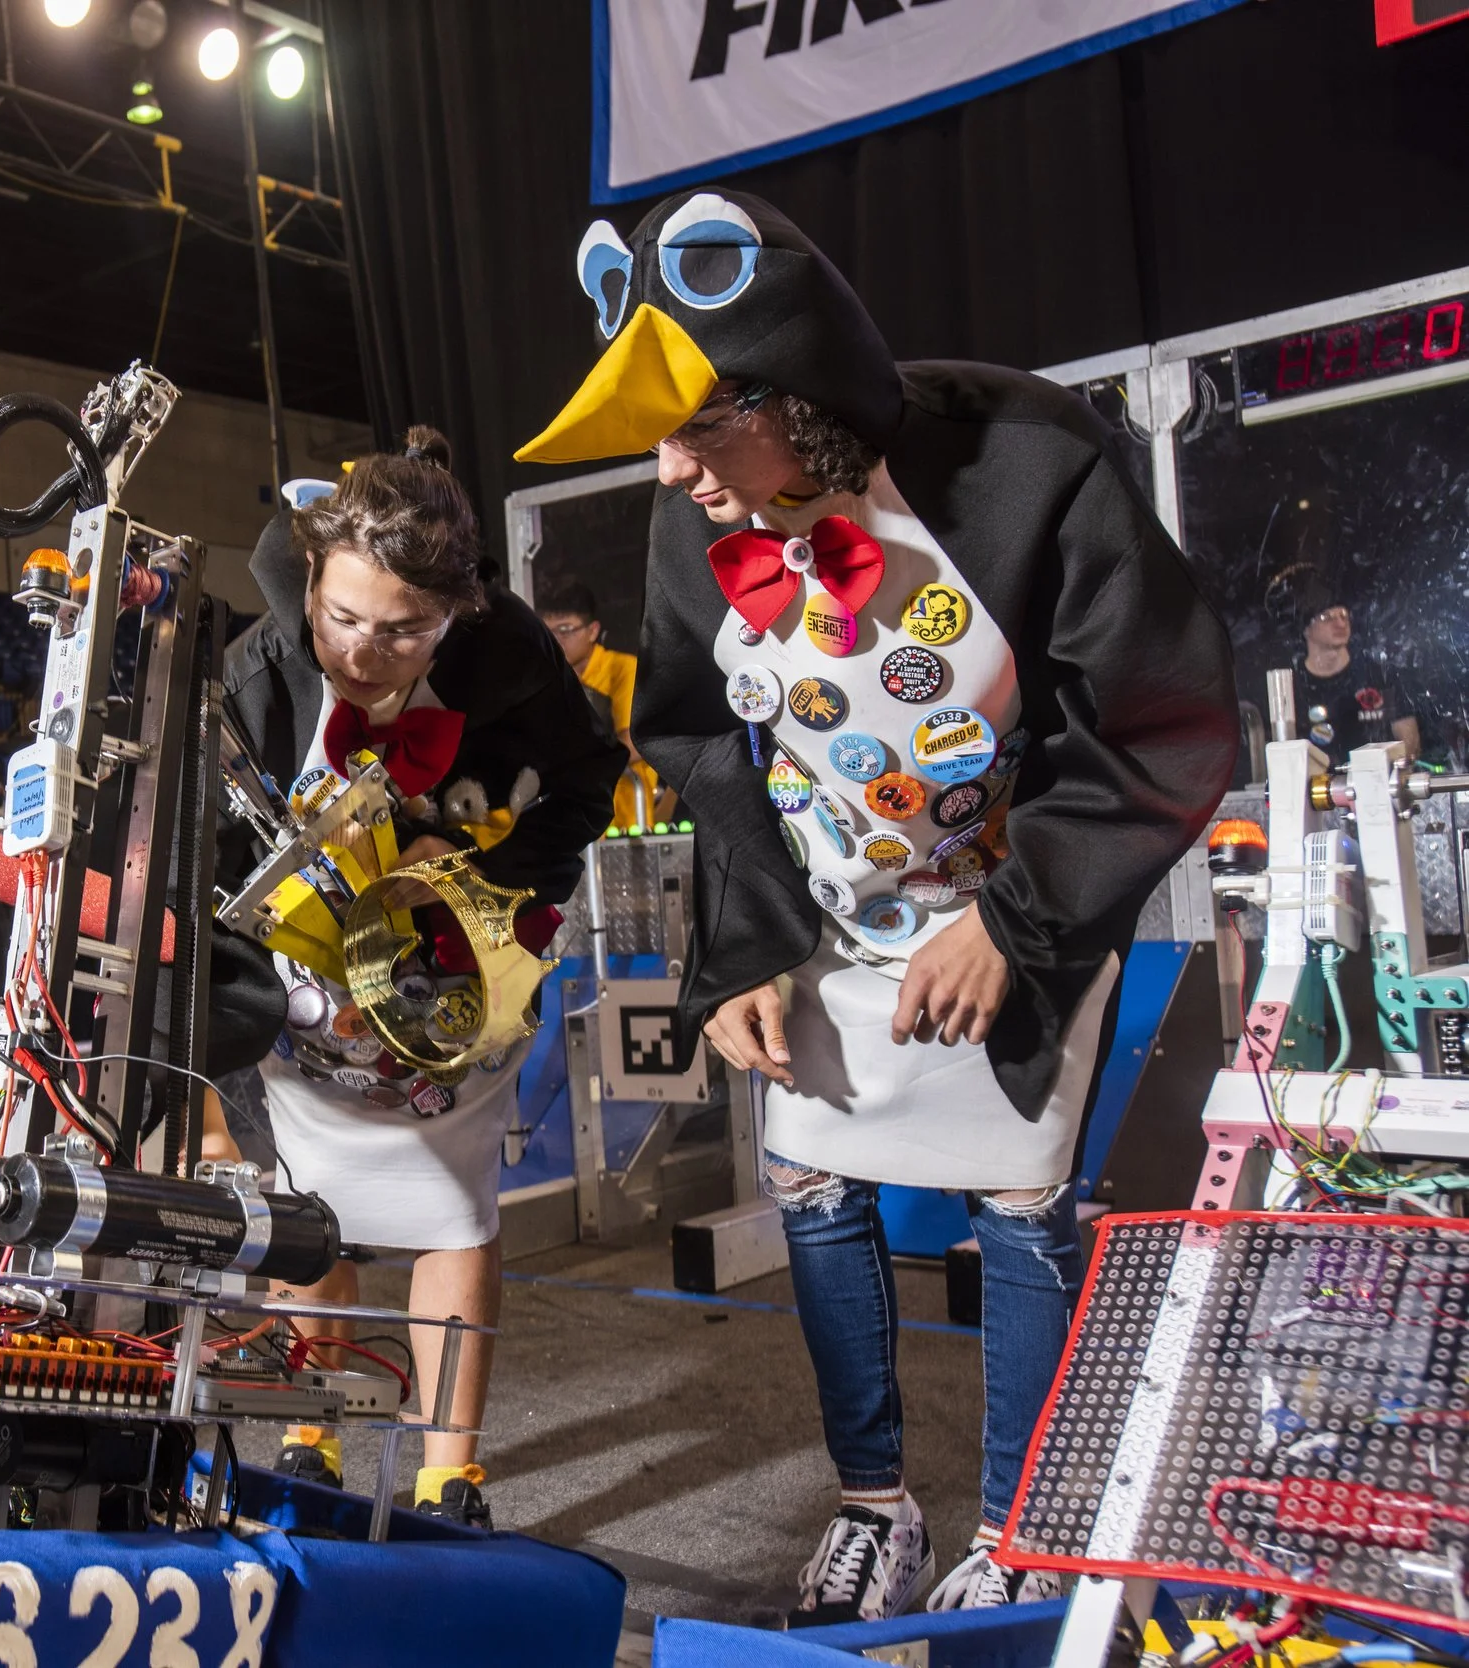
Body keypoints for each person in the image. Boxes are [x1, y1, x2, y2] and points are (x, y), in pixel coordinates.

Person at [518, 190, 1238, 1618]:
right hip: (828, 917)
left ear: (809, 396)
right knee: (812, 1182)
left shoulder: (1027, 462)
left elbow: (1158, 721)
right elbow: (700, 742)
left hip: (1016, 898)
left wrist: (1019, 920)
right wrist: (741, 951)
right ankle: (875, 1505)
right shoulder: (693, 525)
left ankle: (1023, 1531)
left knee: (1019, 1200)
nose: (669, 475)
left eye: (704, 429)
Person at [217, 426, 622, 1527]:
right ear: (309, 576)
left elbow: (590, 777)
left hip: (453, 968)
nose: (361, 653)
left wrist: (486, 870)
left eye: (403, 631)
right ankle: (309, 1435)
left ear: (458, 613)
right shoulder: (255, 671)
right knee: (309, 1212)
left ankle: (452, 1473)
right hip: (307, 1001)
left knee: (452, 1212)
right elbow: (207, 873)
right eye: (341, 617)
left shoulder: (513, 657)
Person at [539, 580, 668, 830]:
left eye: (565, 629)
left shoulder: (623, 669)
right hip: (568, 825)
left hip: (625, 822)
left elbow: (634, 741)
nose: (555, 640)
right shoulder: (544, 678)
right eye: (547, 631)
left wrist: (573, 769)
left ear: (593, 630)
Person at [1274, 566, 1422, 760]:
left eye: (1343, 615)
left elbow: (1409, 743)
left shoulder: (1380, 675)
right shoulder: (1291, 687)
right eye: (1327, 617)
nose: (1340, 623)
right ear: (1305, 629)